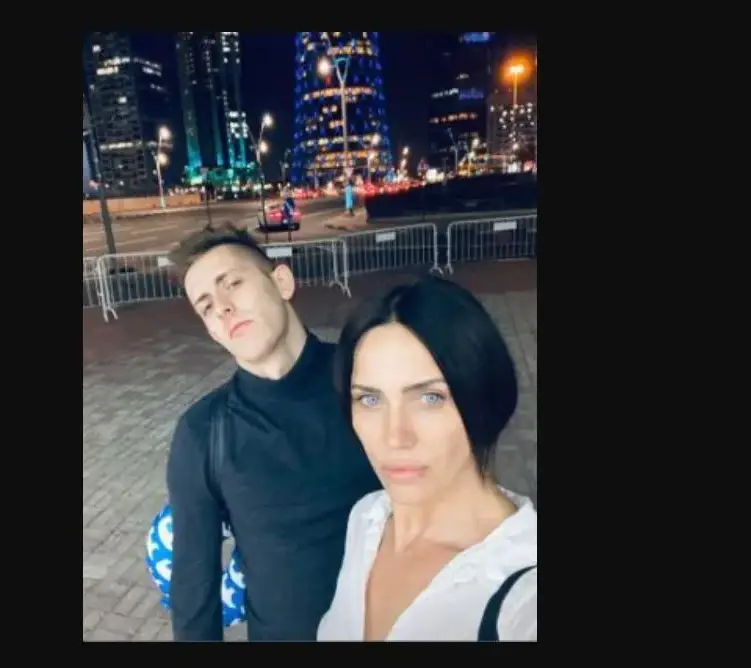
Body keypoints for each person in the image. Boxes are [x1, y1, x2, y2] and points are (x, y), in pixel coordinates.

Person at [165, 222, 380, 641]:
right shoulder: (204, 433)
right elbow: (194, 588)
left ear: (282, 282)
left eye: (232, 284)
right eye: (206, 307)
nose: (222, 308)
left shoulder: (368, 380)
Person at [318, 275, 537, 641]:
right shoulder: (367, 519)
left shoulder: (522, 587)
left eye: (430, 398)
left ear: (484, 399)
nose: (394, 437)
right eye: (370, 399)